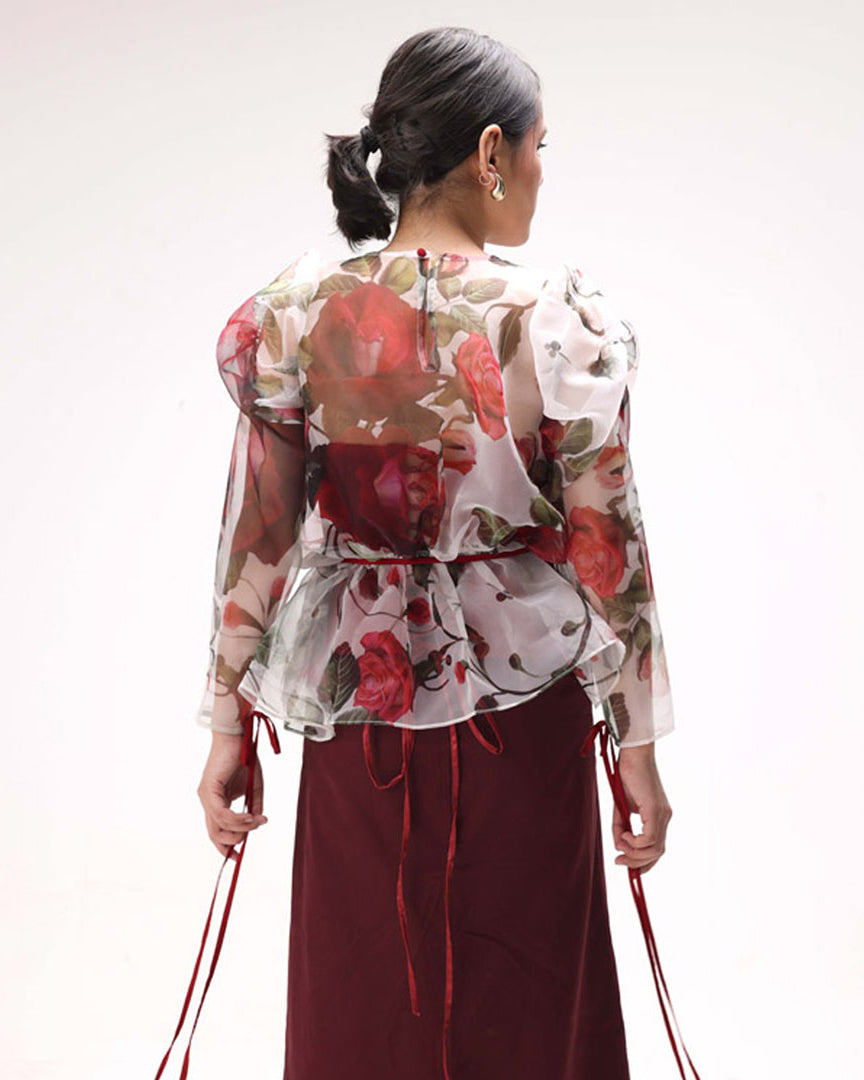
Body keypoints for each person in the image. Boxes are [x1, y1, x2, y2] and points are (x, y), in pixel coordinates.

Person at [193, 25, 675, 1080]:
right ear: (491, 151)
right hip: (525, 714)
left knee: (365, 996)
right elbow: (610, 547)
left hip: (361, 709)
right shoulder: (554, 321)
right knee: (528, 1003)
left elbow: (256, 538)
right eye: (541, 147)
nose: (542, 172)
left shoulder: (298, 316)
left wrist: (229, 721)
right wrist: (636, 743)